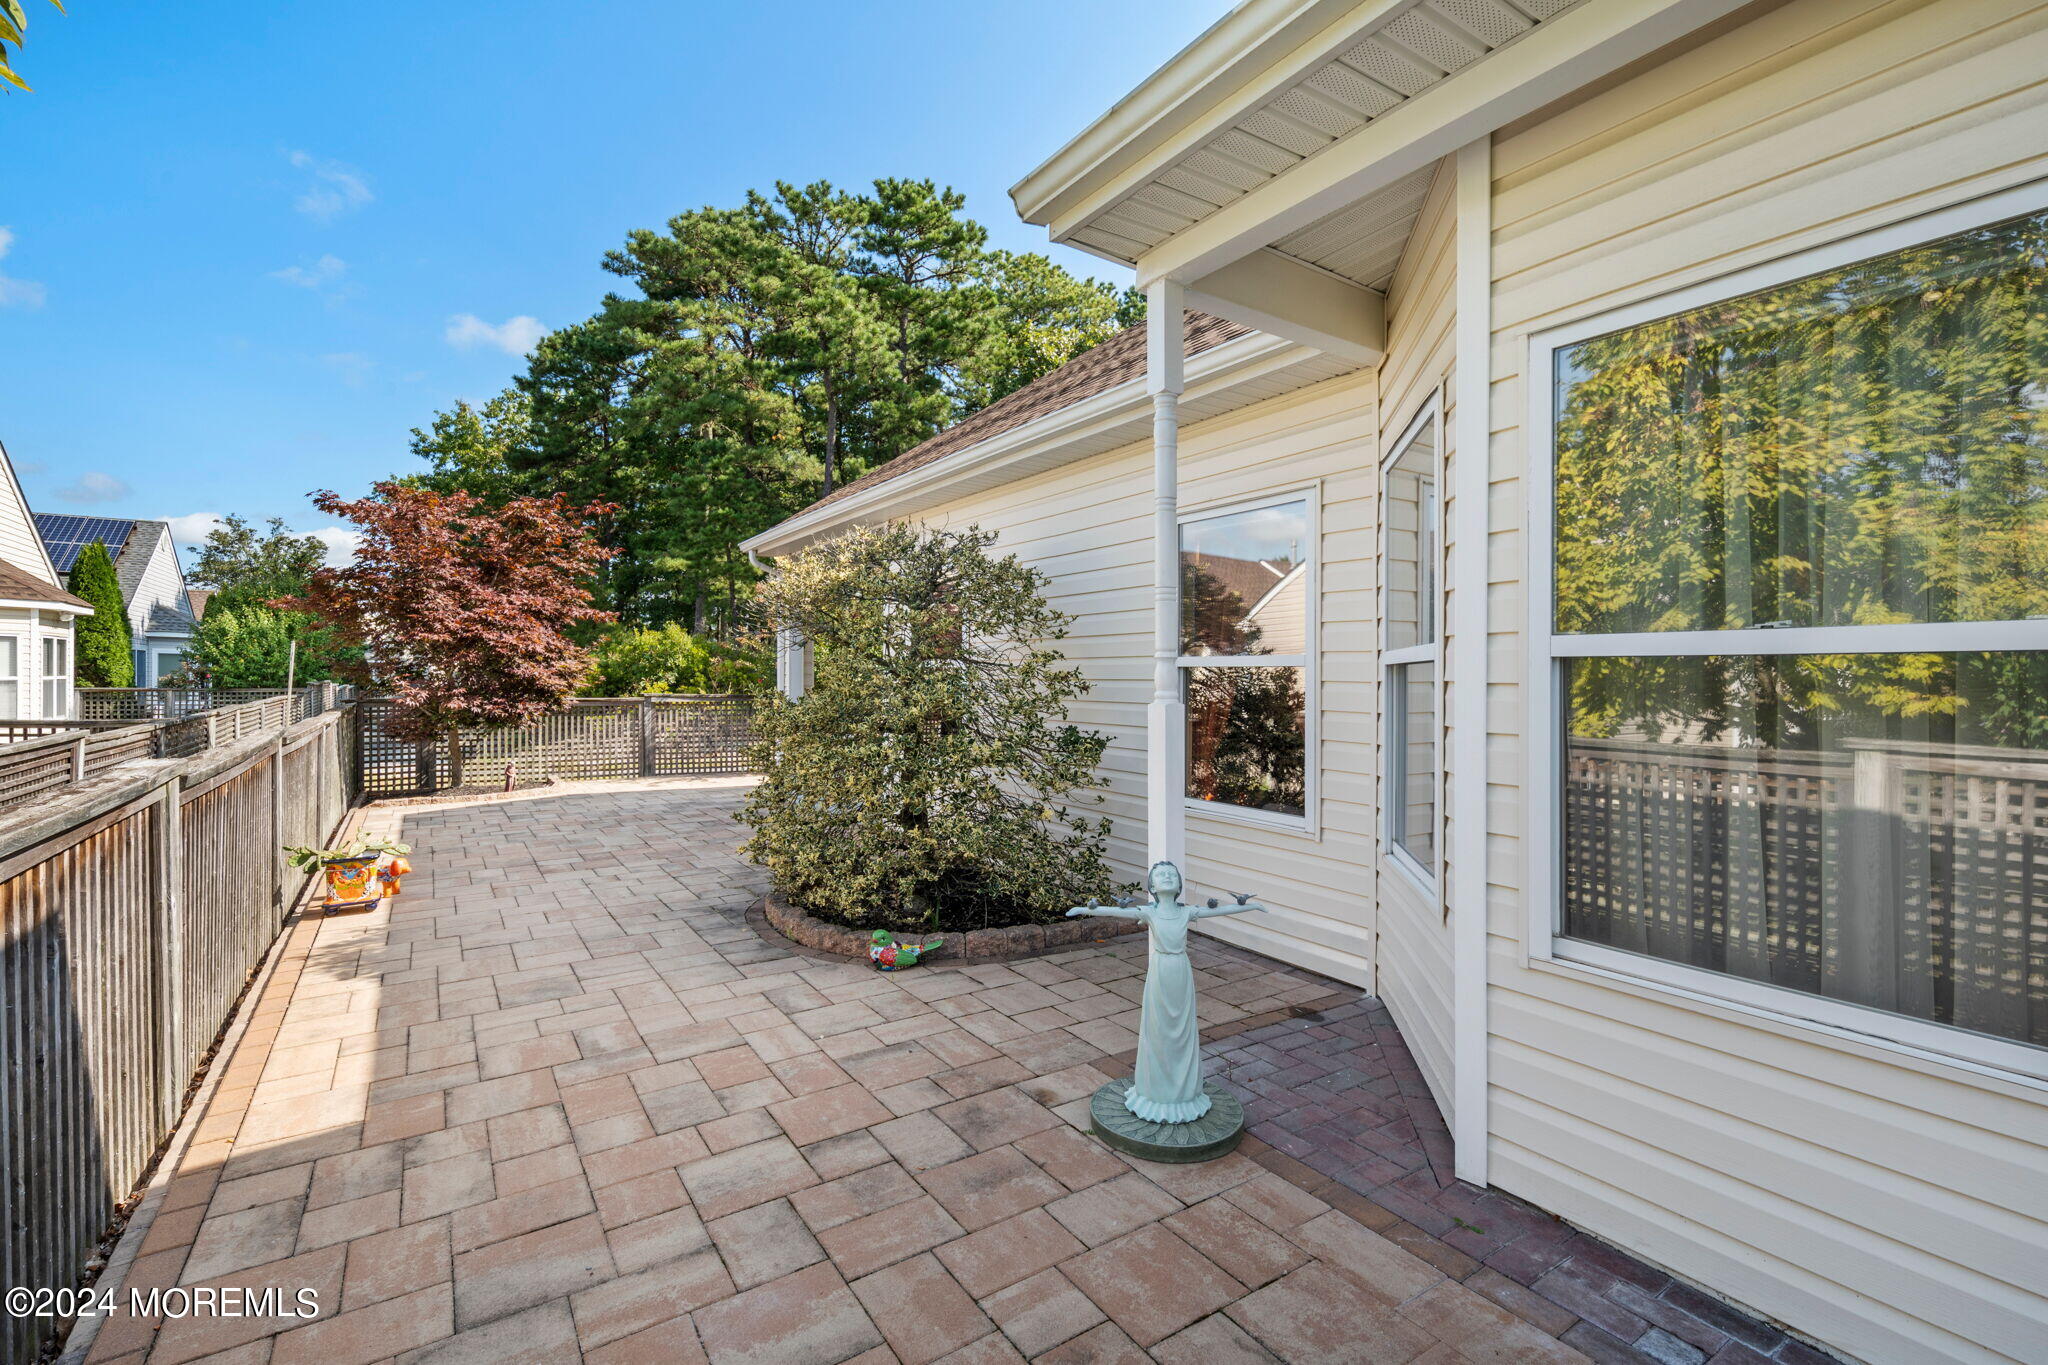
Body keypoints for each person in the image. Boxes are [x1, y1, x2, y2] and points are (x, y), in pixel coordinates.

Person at [1068, 861, 1265, 1123]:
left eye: (1172, 874)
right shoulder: (1149, 912)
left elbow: (1221, 911)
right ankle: (1155, 1092)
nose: (1168, 877)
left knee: (1182, 1030)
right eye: (1161, 874)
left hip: (1181, 971)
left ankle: (1183, 1092)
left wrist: (1252, 905)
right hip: (1160, 971)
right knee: (1159, 1028)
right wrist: (1083, 909)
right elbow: (1114, 910)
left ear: (1179, 883)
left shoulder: (1187, 912)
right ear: (1152, 885)